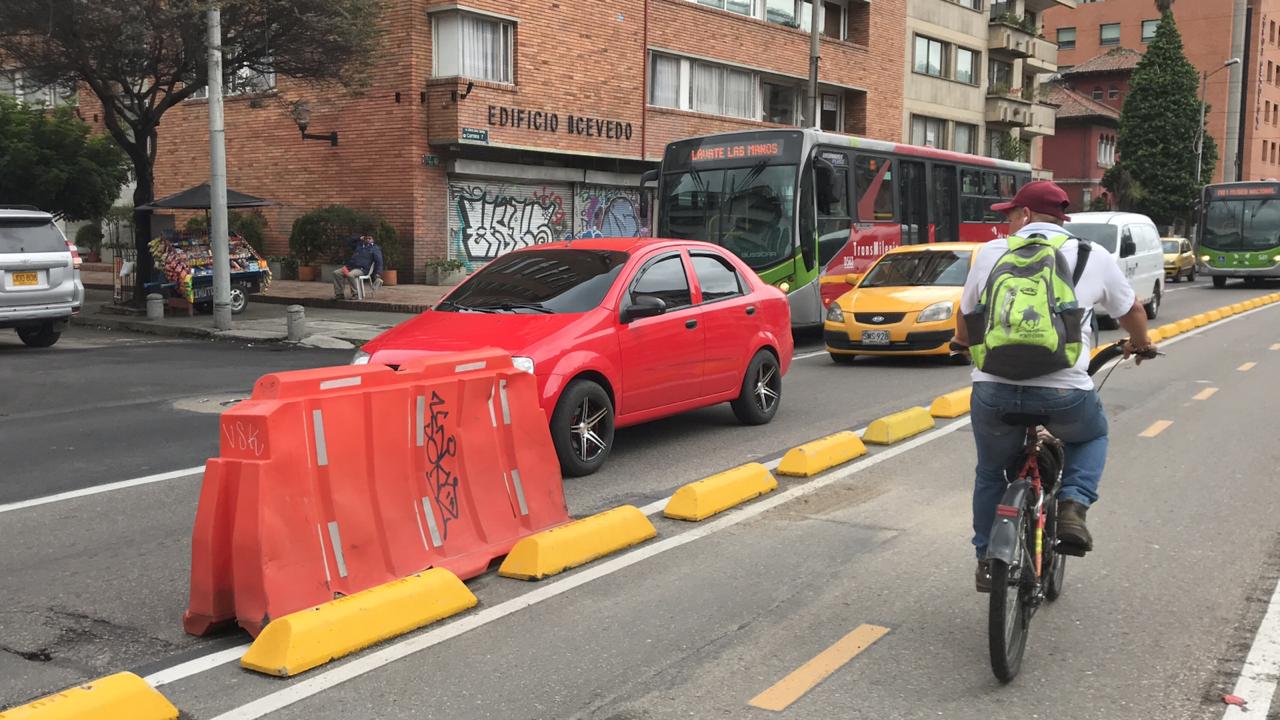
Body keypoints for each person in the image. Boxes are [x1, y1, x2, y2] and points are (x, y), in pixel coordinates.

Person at [951, 181, 1155, 592]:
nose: (1005, 222)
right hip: (1064, 390)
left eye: (1009, 214)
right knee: (1092, 435)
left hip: (994, 388)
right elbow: (1130, 308)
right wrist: (1142, 343)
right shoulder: (1092, 254)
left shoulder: (991, 253)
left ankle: (987, 560)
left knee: (991, 471)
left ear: (1025, 215)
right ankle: (1073, 507)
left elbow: (967, 310)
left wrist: (960, 344)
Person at [333, 234, 383, 300]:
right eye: (366, 238)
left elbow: (379, 261)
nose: (368, 240)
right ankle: (339, 294)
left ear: (373, 239)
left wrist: (378, 273)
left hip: (362, 269)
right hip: (350, 267)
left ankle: (355, 294)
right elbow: (349, 242)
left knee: (350, 275)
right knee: (336, 273)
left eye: (369, 238)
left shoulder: (375, 249)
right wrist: (358, 238)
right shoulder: (359, 245)